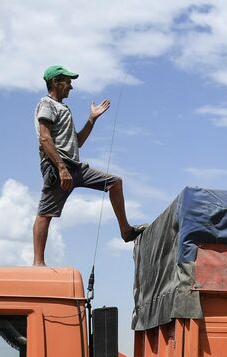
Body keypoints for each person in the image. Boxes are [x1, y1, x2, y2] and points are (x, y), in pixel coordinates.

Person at [32, 64, 144, 266]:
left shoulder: (63, 109)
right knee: (45, 213)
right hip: (59, 167)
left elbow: (78, 142)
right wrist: (61, 168)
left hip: (75, 167)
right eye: (67, 82)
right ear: (56, 82)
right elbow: (45, 138)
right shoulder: (47, 104)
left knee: (114, 182)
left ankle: (126, 231)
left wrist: (92, 119)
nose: (71, 87)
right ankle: (38, 262)